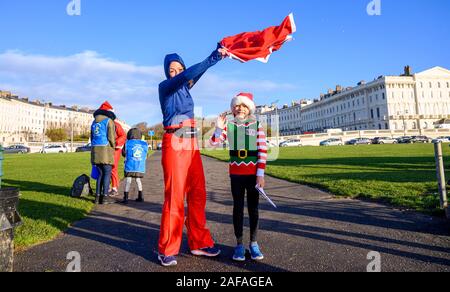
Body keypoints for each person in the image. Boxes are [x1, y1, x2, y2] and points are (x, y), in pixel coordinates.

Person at [157, 47, 227, 267]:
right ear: (167, 73)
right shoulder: (166, 87)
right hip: (174, 140)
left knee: (198, 192)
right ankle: (167, 248)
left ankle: (198, 242)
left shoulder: (186, 88)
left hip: (190, 142)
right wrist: (213, 57)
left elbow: (195, 74)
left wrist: (218, 52)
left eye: (179, 68)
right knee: (175, 195)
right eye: (171, 69)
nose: (175, 72)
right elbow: (189, 75)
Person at [210, 93, 267, 262]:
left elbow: (262, 151)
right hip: (236, 174)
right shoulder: (229, 125)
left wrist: (260, 174)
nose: (240, 108)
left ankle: (254, 243)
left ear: (249, 108)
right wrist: (219, 128)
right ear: (232, 109)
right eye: (237, 105)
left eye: (243, 105)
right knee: (238, 208)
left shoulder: (256, 124)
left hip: (253, 175)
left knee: (253, 209)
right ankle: (239, 244)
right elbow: (214, 143)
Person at [91, 101, 117, 205]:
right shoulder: (109, 121)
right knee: (107, 173)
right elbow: (111, 138)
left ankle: (97, 197)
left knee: (100, 174)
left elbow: (92, 137)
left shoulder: (94, 122)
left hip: (95, 150)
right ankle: (105, 197)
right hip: (106, 150)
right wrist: (113, 147)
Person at [121, 128, 148, 204]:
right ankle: (140, 196)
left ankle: (126, 197)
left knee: (128, 180)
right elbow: (146, 155)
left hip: (130, 165)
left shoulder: (127, 143)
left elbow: (123, 153)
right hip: (139, 166)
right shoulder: (144, 144)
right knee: (138, 180)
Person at [110, 120, 127, 197]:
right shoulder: (100, 123)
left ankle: (114, 187)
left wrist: (115, 143)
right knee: (104, 169)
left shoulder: (116, 124)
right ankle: (107, 187)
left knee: (113, 168)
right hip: (104, 149)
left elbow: (123, 135)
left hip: (114, 149)